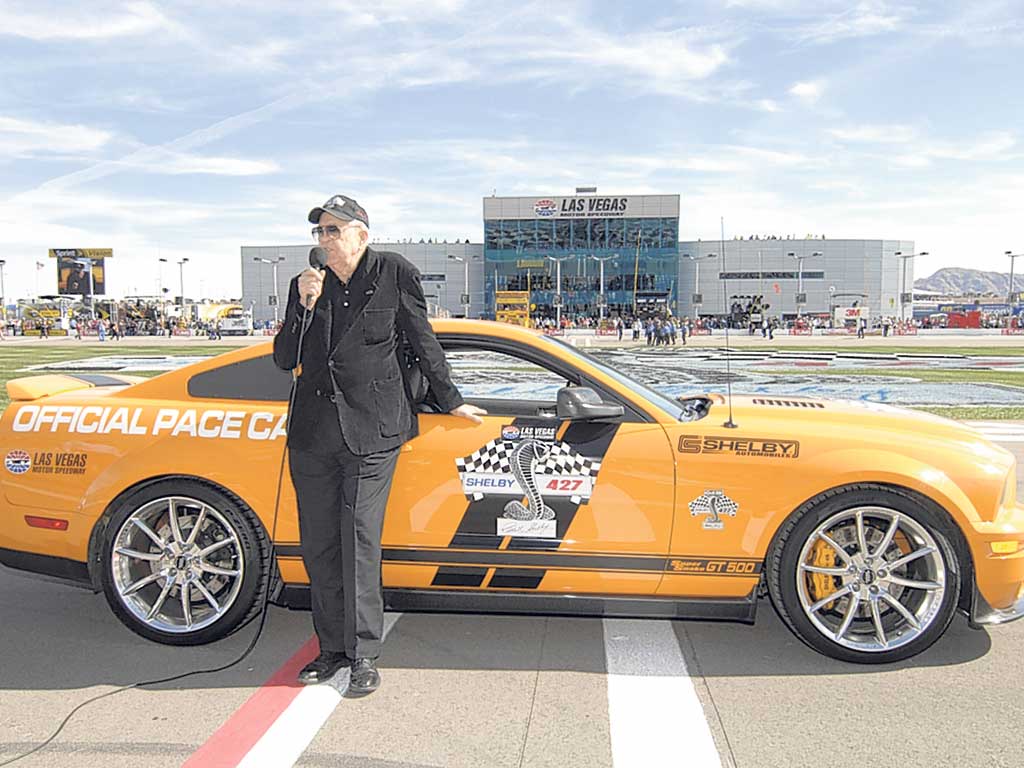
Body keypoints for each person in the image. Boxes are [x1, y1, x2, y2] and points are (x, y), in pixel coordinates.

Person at [273, 194, 485, 694]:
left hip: (373, 433)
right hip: (313, 435)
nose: (325, 240)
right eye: (319, 232)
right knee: (320, 545)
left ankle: (363, 652)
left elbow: (421, 339)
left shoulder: (393, 272)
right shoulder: (304, 287)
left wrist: (450, 399)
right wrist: (304, 306)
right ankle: (330, 650)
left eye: (333, 231)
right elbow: (285, 358)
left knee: (358, 538)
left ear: (361, 235)